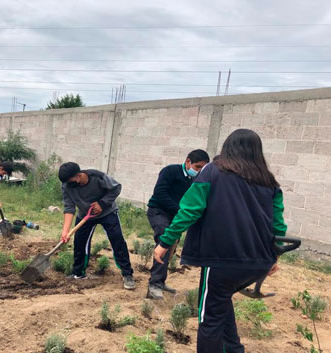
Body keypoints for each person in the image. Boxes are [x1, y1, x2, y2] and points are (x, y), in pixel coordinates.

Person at [153, 129, 287, 353]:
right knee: (221, 301)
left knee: (210, 319)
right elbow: (278, 224)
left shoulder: (212, 171)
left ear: (228, 147)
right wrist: (276, 255)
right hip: (259, 262)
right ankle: (234, 350)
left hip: (222, 260)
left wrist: (165, 241)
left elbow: (190, 210)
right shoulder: (269, 181)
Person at [58, 162, 135, 290]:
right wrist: (65, 231)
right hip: (85, 215)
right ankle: (78, 273)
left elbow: (116, 187)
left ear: (78, 175)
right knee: (79, 243)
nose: (69, 184)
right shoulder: (67, 185)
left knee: (117, 240)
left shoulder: (97, 177)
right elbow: (69, 208)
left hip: (107, 213)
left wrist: (102, 204)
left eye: (71, 181)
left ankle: (127, 274)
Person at [146, 149, 210, 299]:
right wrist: (181, 210)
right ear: (188, 162)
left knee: (171, 247)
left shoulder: (197, 180)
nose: (199, 171)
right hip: (158, 211)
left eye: (203, 168)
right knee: (164, 239)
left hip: (176, 216)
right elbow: (160, 194)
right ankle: (154, 284)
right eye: (197, 167)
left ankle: (160, 281)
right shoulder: (170, 171)